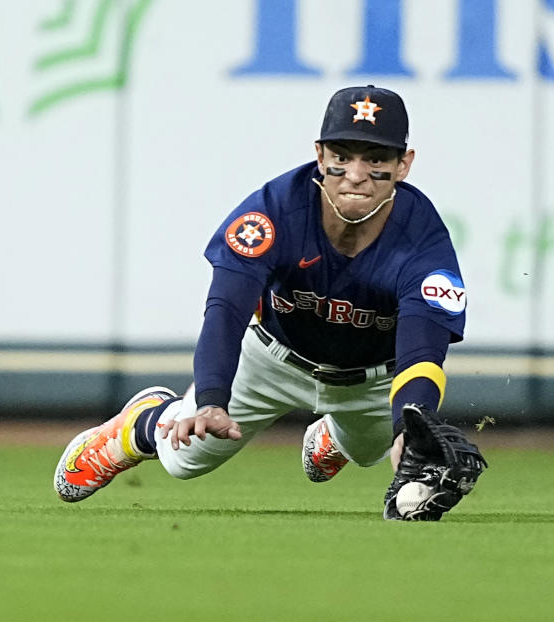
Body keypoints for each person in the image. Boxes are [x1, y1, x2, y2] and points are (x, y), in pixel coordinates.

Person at [54, 85, 479, 518]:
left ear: (403, 164)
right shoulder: (274, 211)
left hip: (371, 379)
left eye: (376, 158)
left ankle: (335, 430)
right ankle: (137, 425)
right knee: (184, 459)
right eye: (342, 155)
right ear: (320, 155)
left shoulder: (423, 242)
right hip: (270, 359)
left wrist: (413, 422)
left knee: (376, 450)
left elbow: (422, 354)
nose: (356, 173)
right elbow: (226, 311)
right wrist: (212, 400)